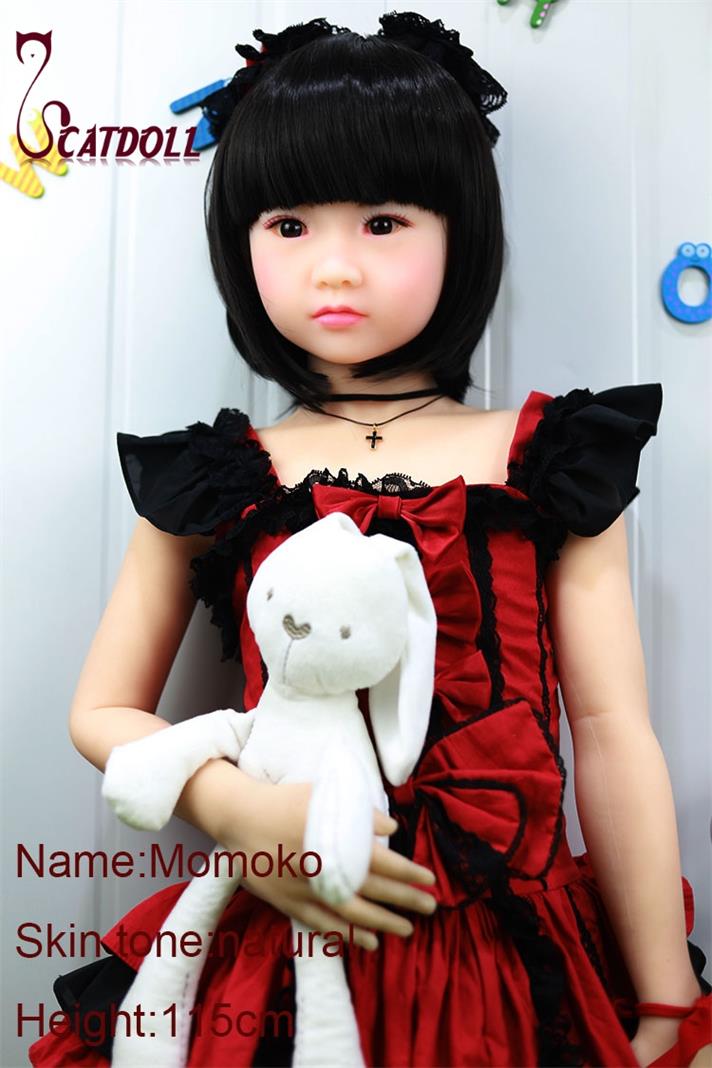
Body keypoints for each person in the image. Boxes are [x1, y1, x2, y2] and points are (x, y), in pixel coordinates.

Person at [28, 12, 711, 1068]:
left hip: (508, 962)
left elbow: (612, 731)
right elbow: (102, 711)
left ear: (459, 232)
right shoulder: (214, 475)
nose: (334, 268)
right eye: (288, 225)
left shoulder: (548, 458)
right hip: (281, 940)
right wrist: (238, 813)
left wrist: (669, 997)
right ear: (241, 241)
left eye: (384, 222)